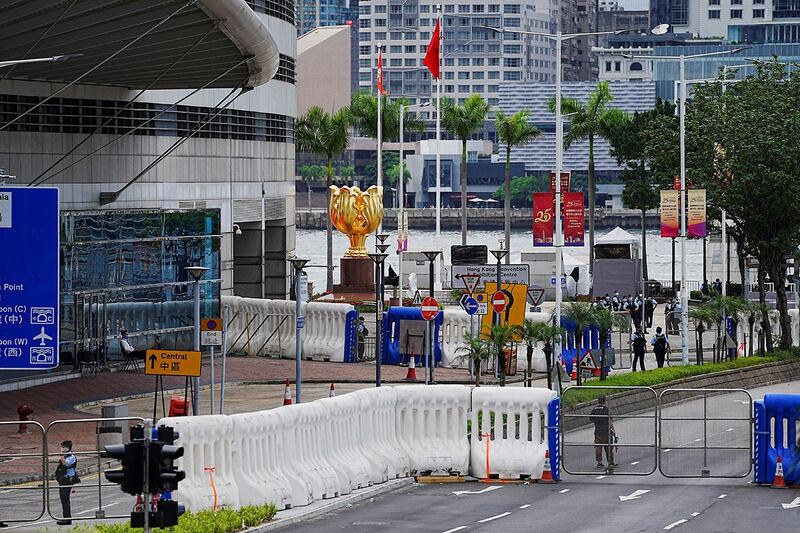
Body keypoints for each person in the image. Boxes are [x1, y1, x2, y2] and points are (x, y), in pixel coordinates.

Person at [54, 440, 78, 525]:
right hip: (63, 480)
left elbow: (65, 464)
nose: (62, 448)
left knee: (65, 499)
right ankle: (66, 517)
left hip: (68, 479)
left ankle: (67, 519)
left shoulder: (71, 457)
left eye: (63, 447)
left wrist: (62, 456)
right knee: (63, 499)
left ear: (67, 448)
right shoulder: (66, 455)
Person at [590, 397, 616, 469]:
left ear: (598, 401)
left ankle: (599, 462)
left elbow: (591, 419)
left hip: (597, 431)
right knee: (608, 447)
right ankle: (610, 462)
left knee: (598, 447)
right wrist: (613, 431)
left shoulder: (594, 410)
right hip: (606, 431)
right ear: (604, 401)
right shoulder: (606, 409)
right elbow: (610, 421)